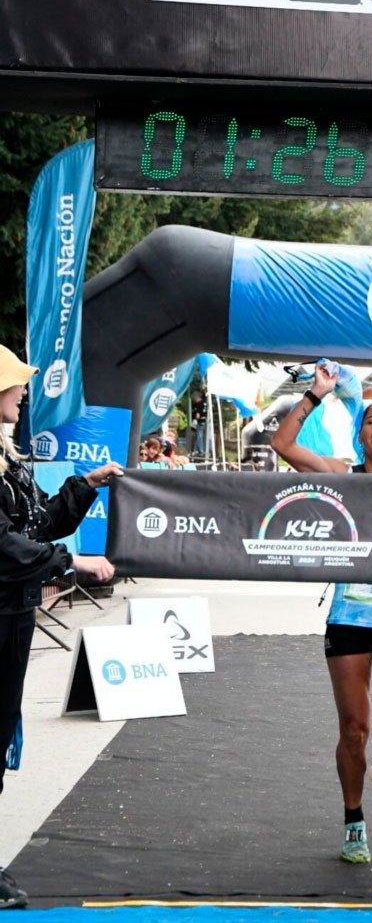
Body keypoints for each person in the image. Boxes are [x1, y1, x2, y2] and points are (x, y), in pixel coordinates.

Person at [271, 362, 372, 866]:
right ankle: (353, 821)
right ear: (361, 435)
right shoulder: (344, 476)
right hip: (348, 617)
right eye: (371, 420)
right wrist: (315, 394)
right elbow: (284, 446)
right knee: (353, 730)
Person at [0, 345, 120, 908]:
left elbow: (36, 523)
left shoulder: (8, 458)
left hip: (14, 614)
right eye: (14, 385)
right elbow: (4, 548)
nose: (23, 393)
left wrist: (86, 484)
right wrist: (70, 563)